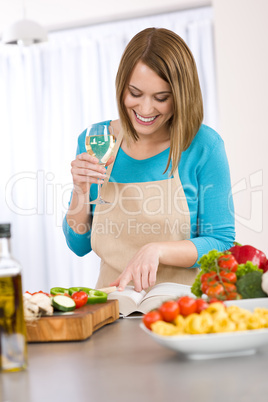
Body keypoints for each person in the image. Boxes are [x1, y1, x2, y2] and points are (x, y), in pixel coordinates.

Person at [63, 27, 235, 292]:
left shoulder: (204, 146)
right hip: (113, 308)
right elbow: (79, 245)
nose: (145, 109)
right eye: (135, 93)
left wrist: (157, 250)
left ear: (180, 96)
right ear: (122, 87)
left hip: (183, 311)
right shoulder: (97, 139)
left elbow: (222, 242)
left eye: (161, 98)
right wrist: (80, 189)